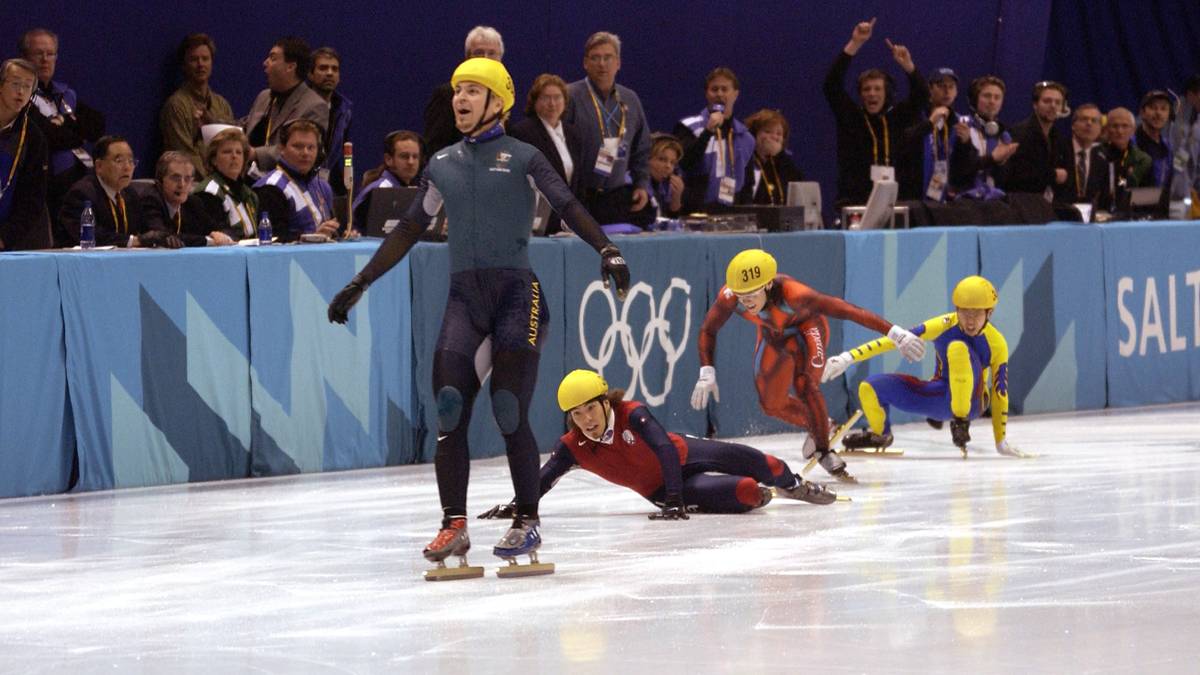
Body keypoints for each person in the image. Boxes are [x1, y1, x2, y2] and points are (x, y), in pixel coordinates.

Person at [326, 58, 630, 577]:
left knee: (508, 407)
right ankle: (454, 523)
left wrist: (607, 249)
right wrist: (361, 281)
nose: (459, 100)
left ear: (498, 101)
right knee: (449, 410)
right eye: (456, 91)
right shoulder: (441, 162)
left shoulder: (524, 156)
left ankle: (527, 517)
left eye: (472, 91)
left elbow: (567, 202)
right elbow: (406, 231)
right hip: (466, 299)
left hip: (517, 297)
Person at [691, 249, 924, 483]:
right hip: (773, 336)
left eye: (752, 294)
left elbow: (847, 310)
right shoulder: (730, 295)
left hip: (808, 330)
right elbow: (708, 330)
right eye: (741, 296)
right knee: (771, 404)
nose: (746, 302)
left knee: (805, 385)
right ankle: (823, 423)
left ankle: (823, 450)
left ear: (769, 284)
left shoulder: (796, 295)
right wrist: (706, 371)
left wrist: (895, 333)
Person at [477, 370, 836, 522]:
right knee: (746, 493)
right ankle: (767, 493)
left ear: (605, 401)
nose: (586, 419)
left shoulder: (632, 413)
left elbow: (665, 449)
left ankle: (794, 486)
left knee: (769, 465)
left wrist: (678, 501)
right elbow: (545, 478)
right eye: (576, 414)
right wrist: (518, 506)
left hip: (685, 455)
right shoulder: (573, 445)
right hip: (662, 489)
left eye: (590, 408)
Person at [823, 276, 1026, 458]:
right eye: (965, 312)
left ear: (989, 313)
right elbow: (896, 339)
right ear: (956, 310)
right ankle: (880, 435)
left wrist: (1001, 440)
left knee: (957, 348)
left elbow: (1000, 392)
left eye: (976, 313)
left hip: (973, 402)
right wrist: (848, 357)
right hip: (939, 397)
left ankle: (961, 420)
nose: (970, 321)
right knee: (870, 386)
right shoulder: (944, 324)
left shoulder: (997, 343)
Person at [823, 18, 929, 207]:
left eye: (877, 89)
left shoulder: (897, 117)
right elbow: (831, 85)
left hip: (895, 201)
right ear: (861, 94)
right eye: (866, 89)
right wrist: (855, 43)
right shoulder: (852, 117)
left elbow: (921, 95)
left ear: (886, 93)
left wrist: (908, 66)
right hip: (855, 201)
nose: (872, 93)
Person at [20, 28, 105, 247]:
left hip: (80, 177)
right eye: (38, 53)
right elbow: (50, 137)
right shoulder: (20, 96)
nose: (45, 60)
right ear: (25, 58)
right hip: (47, 182)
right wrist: (72, 129)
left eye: (50, 54)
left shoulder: (64, 93)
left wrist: (64, 127)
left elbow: (96, 126)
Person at [564, 31, 652, 225]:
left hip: (616, 196)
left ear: (618, 63)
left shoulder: (630, 99)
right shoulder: (570, 96)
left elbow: (642, 148)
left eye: (608, 57)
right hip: (580, 195)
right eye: (595, 58)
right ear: (585, 63)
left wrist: (641, 184)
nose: (602, 64)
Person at [58, 135, 173, 248]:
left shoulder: (130, 194)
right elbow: (90, 235)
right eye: (119, 161)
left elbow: (146, 227)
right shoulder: (82, 194)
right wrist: (134, 241)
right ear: (99, 166)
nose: (127, 167)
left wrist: (164, 237)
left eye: (131, 161)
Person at [508, 73, 583, 235]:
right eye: (545, 98)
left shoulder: (574, 134)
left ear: (565, 101)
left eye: (557, 97)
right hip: (539, 221)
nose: (552, 103)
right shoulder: (523, 132)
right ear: (534, 101)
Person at [242, 37, 329, 173]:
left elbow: (300, 149)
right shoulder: (264, 96)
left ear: (290, 67)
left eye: (273, 58)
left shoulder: (315, 106)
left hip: (285, 184)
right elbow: (245, 126)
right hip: (247, 178)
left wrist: (255, 154)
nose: (265, 63)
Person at [675, 67, 755, 211]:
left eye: (725, 89)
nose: (719, 94)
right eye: (714, 89)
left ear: (736, 94)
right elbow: (685, 163)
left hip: (732, 217)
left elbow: (748, 184)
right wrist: (708, 132)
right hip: (695, 213)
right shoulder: (689, 128)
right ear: (707, 94)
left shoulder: (745, 137)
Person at [159, 33, 235, 177]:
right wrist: (212, 183)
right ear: (184, 65)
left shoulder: (222, 105)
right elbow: (184, 155)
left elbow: (233, 146)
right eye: (194, 59)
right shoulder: (176, 106)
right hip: (191, 184)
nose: (201, 64)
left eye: (205, 59)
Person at [253, 119, 339, 242]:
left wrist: (345, 235)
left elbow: (333, 232)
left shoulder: (322, 186)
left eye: (311, 147)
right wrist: (313, 238)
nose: (305, 153)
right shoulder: (271, 188)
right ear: (282, 149)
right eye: (298, 147)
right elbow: (272, 240)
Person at [423, 26, 504, 155]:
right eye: (479, 52)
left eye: (492, 53)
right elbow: (435, 147)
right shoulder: (447, 94)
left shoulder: (503, 95)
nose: (486, 58)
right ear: (467, 58)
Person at [0, 58, 50, 251]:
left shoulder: (33, 137)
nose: (21, 92)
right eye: (15, 84)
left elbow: (33, 200)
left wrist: (5, 238)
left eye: (27, 86)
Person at [141, 151, 232, 247]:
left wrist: (221, 235)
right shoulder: (151, 200)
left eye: (187, 179)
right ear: (160, 181)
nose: (182, 184)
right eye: (175, 178)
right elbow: (162, 236)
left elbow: (219, 228)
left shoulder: (193, 203)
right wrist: (208, 240)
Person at [949, 75, 1017, 200]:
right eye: (987, 96)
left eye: (997, 97)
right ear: (975, 100)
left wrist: (1001, 163)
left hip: (993, 201)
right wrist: (992, 158)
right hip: (963, 200)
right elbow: (958, 170)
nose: (992, 101)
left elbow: (1004, 180)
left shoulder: (1004, 135)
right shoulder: (962, 125)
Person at [1000, 81, 1069, 197]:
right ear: (1035, 105)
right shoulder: (1019, 133)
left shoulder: (1057, 137)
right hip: (1022, 203)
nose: (1053, 106)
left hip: (1043, 203)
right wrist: (1053, 175)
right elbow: (1017, 174)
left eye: (1058, 102)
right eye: (1047, 101)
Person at [194, 127, 259, 241]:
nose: (234, 156)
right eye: (227, 152)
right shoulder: (209, 192)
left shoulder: (250, 195)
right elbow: (218, 233)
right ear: (214, 160)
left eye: (239, 152)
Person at [351, 130, 422, 229]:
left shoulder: (414, 189)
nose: (411, 162)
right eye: (404, 156)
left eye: (415, 157)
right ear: (389, 159)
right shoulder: (380, 191)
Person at [308, 47, 352, 196]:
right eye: (323, 68)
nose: (329, 73)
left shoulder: (344, 110)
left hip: (327, 183)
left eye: (335, 69)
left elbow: (344, 156)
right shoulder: (299, 105)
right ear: (310, 74)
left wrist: (344, 189)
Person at [738, 109, 804, 205]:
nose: (774, 137)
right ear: (754, 134)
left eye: (779, 134)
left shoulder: (784, 164)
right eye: (768, 131)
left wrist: (779, 154)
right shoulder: (745, 160)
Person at [1053, 103, 1105, 204]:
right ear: (1073, 125)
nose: (1089, 123)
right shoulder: (1058, 150)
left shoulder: (1102, 158)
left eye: (1094, 121)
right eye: (1084, 119)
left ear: (1100, 129)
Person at [1100, 107, 1153, 205]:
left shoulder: (1143, 159)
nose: (1120, 131)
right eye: (1115, 126)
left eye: (1125, 126)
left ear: (1133, 130)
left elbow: (1146, 193)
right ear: (1107, 129)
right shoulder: (1097, 154)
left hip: (1133, 210)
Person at [1135, 90, 1173, 187]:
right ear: (1142, 113)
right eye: (1153, 108)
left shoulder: (1167, 147)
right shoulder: (1130, 143)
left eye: (1163, 109)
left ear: (1169, 115)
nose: (1158, 113)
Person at [646, 135, 684, 219]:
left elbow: (671, 222)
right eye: (662, 159)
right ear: (646, 159)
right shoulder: (632, 186)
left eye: (672, 162)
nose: (668, 166)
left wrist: (676, 198)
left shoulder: (663, 187)